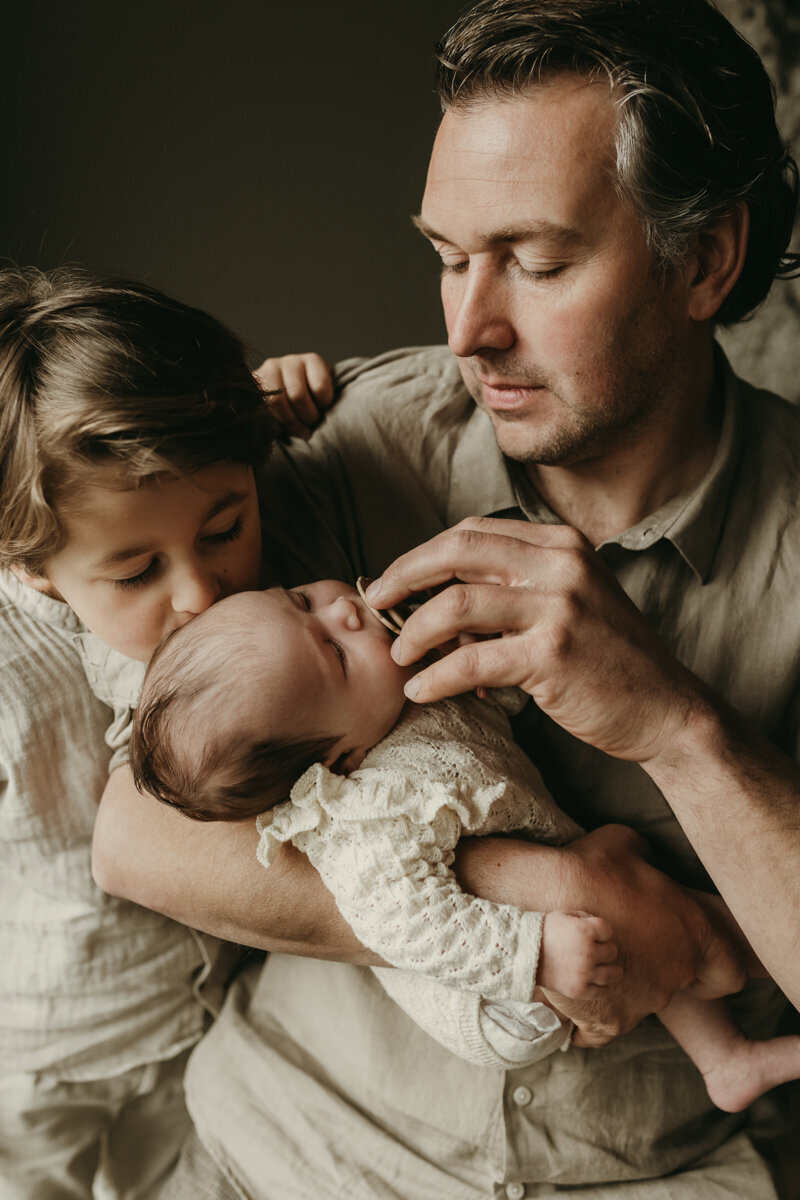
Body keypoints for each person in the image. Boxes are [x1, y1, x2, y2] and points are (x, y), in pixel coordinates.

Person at [90, 0, 800, 1195]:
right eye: (445, 256)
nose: (469, 327)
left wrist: (678, 731)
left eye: (535, 261)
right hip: (284, 1148)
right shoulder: (353, 444)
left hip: (647, 1176)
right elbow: (136, 829)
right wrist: (542, 896)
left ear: (703, 260)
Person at [130, 578, 799, 1114]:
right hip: (490, 998)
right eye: (335, 652)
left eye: (301, 599)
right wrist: (532, 958)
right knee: (619, 870)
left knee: (621, 860)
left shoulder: (393, 697)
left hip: (529, 915)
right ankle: (723, 983)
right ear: (341, 759)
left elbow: (491, 714)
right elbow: (407, 925)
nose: (343, 610)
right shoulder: (371, 815)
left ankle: (725, 1060)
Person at [0, 264, 278, 1199]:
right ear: (32, 568)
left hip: (195, 1027)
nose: (199, 597)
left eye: (225, 528)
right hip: (39, 1051)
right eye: (134, 573)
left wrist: (299, 393)